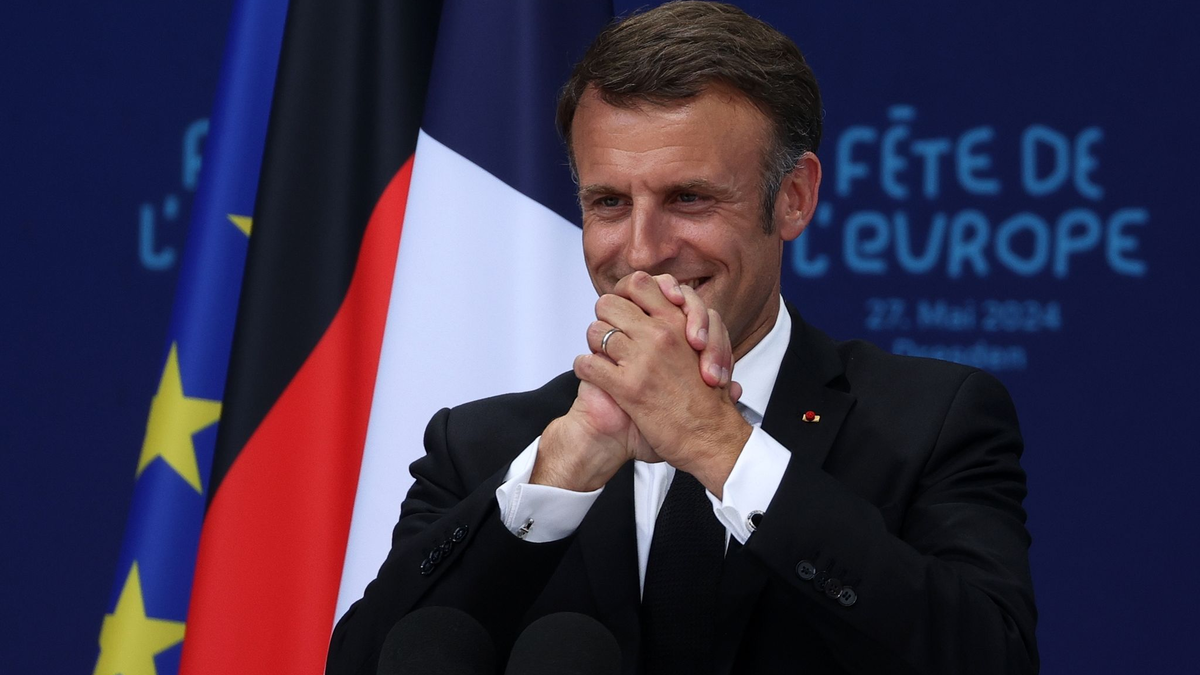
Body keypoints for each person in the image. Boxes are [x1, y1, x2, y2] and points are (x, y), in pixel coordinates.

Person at [326, 2, 1038, 674]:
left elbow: (990, 658)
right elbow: (363, 660)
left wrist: (719, 445)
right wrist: (564, 469)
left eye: (688, 198)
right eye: (609, 202)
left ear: (793, 198)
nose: (642, 251)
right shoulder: (485, 448)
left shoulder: (930, 422)